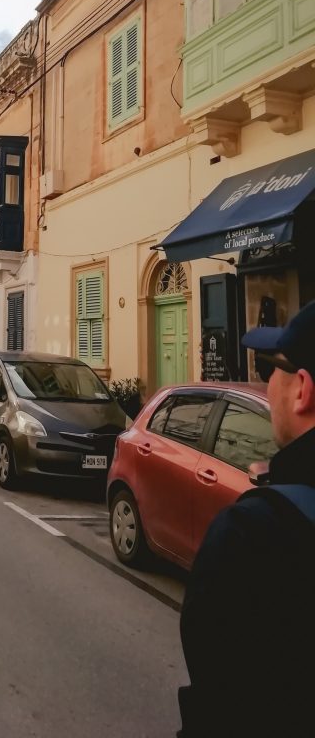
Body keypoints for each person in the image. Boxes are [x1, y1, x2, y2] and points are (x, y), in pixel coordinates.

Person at [177, 300, 315, 738]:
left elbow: (219, 707)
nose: (269, 381)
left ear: (302, 390)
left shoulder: (252, 537)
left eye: (275, 368)